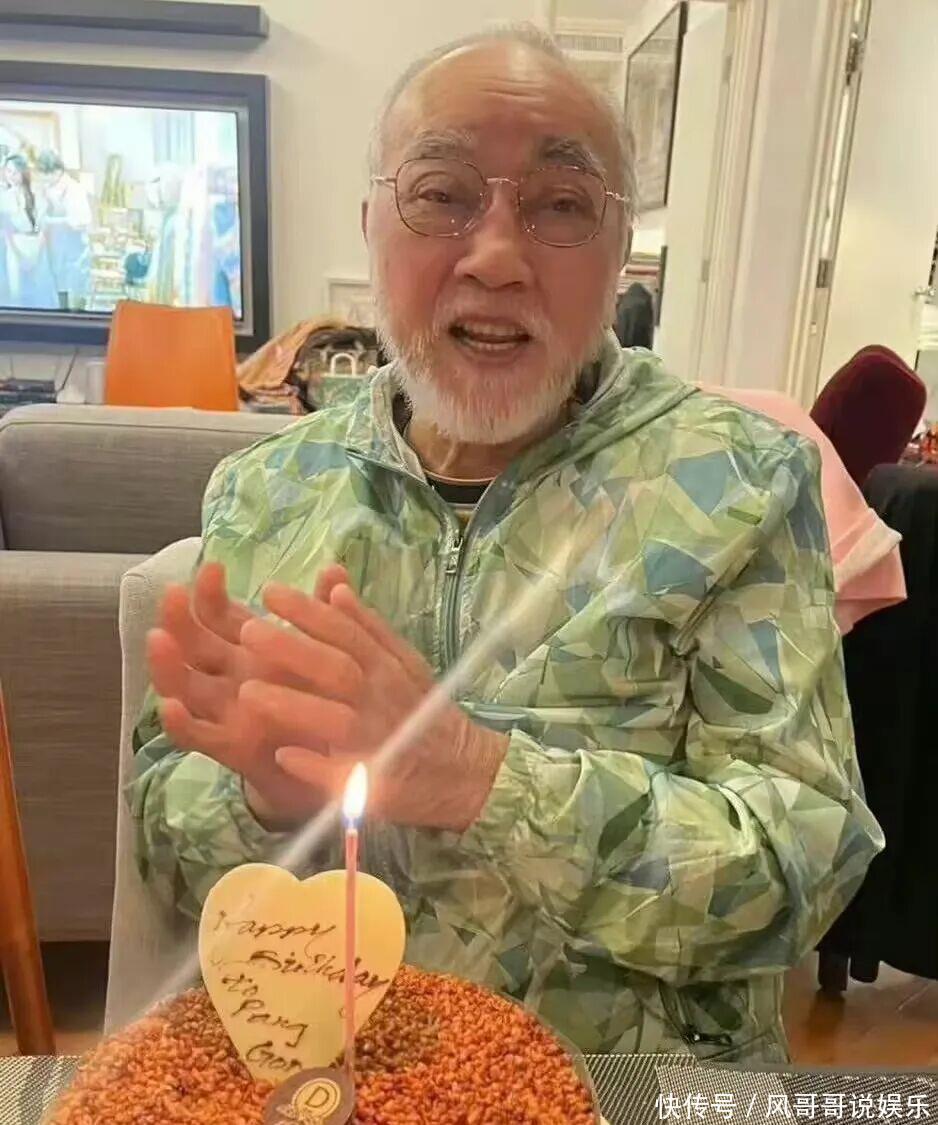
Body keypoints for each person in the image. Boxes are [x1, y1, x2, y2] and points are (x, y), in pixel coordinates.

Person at [131, 25, 883, 1062]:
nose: (493, 256)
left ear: (620, 255)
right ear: (370, 224)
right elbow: (166, 842)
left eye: (559, 205)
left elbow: (801, 871)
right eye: (440, 194)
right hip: (334, 1078)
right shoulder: (267, 493)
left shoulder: (740, 483)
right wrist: (266, 798)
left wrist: (476, 776)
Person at [35, 149, 93, 311]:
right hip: (54, 253)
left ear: (57, 171)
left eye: (46, 174)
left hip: (74, 253)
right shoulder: (47, 189)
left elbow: (82, 220)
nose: (44, 179)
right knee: (57, 299)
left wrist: (54, 222)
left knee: (75, 303)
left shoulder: (74, 189)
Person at [0, 153, 57, 310]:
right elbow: (7, 230)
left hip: (37, 244)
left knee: (41, 290)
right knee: (16, 291)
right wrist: (18, 254)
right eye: (8, 171)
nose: (11, 176)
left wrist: (38, 250)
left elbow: (44, 226)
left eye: (15, 172)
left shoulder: (38, 194)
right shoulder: (5, 197)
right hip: (16, 244)